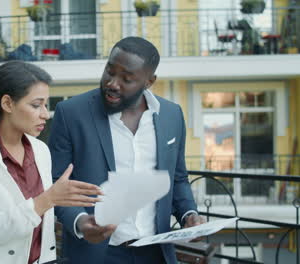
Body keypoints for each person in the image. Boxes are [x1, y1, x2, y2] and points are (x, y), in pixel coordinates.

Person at [48, 37, 205, 264]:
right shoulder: (71, 113)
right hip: (95, 255)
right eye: (109, 71)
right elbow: (57, 182)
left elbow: (178, 178)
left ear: (149, 81)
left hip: (156, 253)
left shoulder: (172, 115)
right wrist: (80, 221)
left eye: (127, 79)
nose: (112, 82)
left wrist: (189, 215)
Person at [0, 61, 102, 264]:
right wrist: (48, 199)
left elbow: (43, 221)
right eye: (36, 105)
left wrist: (82, 220)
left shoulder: (41, 150)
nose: (45, 114)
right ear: (7, 104)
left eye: (46, 105)